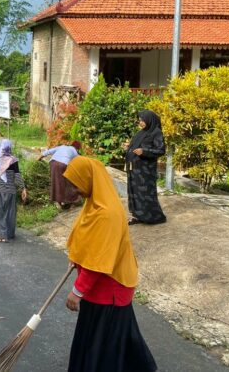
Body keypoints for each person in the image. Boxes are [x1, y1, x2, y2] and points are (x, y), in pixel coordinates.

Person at [63, 156, 157, 372]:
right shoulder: (93, 206)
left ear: (88, 178)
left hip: (110, 288)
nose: (73, 189)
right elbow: (86, 242)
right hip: (99, 288)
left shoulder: (107, 214)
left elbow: (99, 259)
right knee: (113, 336)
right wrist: (76, 258)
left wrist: (77, 291)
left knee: (104, 343)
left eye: (75, 182)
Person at [124, 110, 167, 225]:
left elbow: (161, 150)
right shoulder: (141, 133)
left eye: (142, 120)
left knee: (146, 194)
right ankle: (137, 215)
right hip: (134, 169)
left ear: (149, 120)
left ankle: (153, 217)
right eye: (140, 120)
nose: (140, 122)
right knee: (134, 193)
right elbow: (135, 146)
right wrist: (129, 147)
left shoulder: (156, 132)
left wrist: (144, 151)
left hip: (145, 171)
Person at [38, 141, 82, 209]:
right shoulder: (75, 152)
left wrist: (38, 159)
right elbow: (78, 163)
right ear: (77, 148)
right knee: (68, 182)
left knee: (56, 182)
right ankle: (72, 200)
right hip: (63, 165)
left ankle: (59, 202)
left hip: (53, 163)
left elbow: (48, 152)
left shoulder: (62, 147)